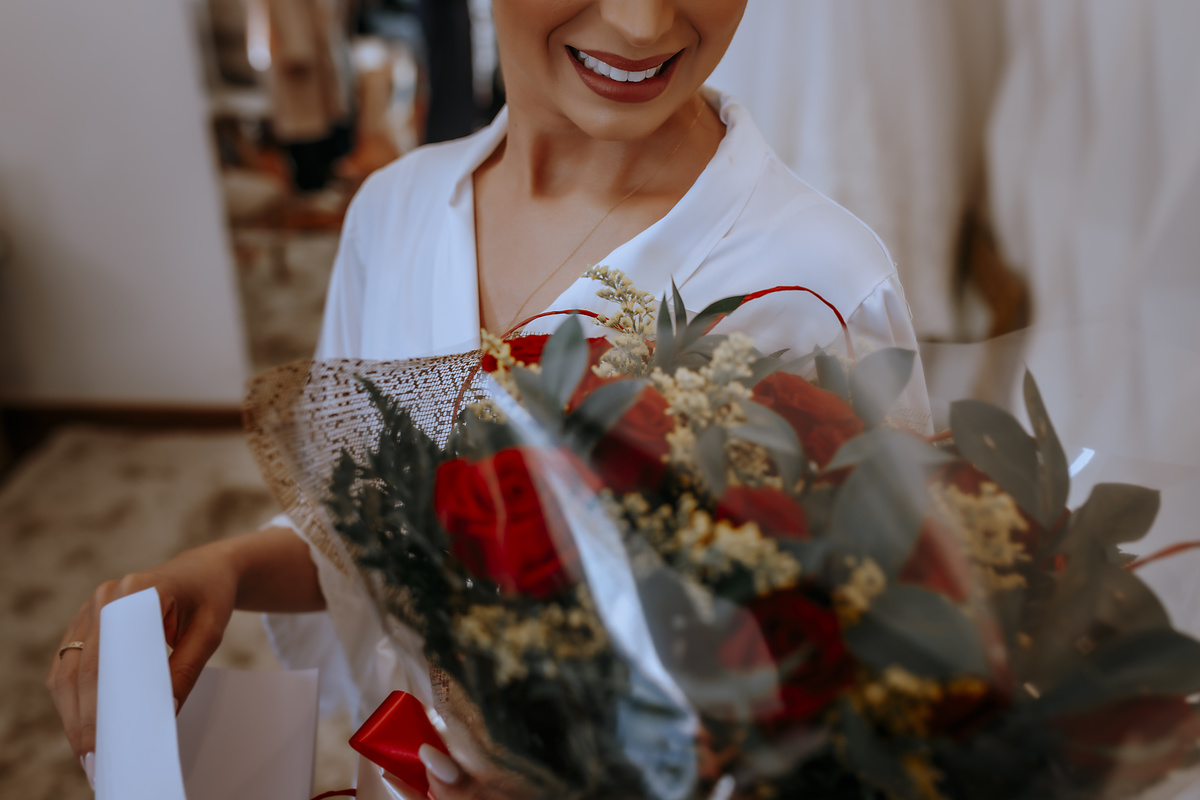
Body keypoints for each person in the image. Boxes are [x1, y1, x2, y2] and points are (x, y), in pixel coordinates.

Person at [48, 1, 930, 797]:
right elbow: (374, 519)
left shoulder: (821, 286)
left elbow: (880, 694)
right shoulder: (391, 215)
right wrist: (232, 569)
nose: (642, 22)